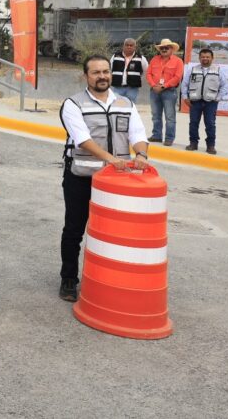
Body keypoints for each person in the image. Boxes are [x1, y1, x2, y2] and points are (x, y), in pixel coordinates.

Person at [58, 55, 149, 302]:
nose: (102, 76)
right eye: (96, 72)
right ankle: (69, 279)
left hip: (116, 182)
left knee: (116, 233)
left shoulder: (126, 104)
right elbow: (82, 139)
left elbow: (138, 133)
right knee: (74, 229)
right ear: (85, 76)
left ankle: (111, 279)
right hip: (82, 177)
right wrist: (110, 159)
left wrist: (141, 154)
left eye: (105, 72)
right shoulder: (73, 104)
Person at [182, 48, 223, 154]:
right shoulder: (192, 70)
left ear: (212, 58)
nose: (205, 58)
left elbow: (225, 86)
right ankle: (193, 143)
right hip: (195, 102)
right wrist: (185, 97)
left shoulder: (218, 70)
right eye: (203, 57)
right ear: (199, 58)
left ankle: (210, 146)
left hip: (211, 102)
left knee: (210, 124)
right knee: (193, 123)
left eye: (207, 57)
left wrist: (218, 98)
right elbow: (185, 84)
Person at [146, 38, 184, 146]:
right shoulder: (154, 59)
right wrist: (154, 85)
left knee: (170, 117)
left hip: (169, 92)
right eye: (162, 48)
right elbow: (148, 74)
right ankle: (157, 136)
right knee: (155, 115)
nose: (164, 49)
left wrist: (163, 86)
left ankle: (169, 138)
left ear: (172, 49)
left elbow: (177, 77)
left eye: (166, 47)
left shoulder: (178, 61)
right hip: (154, 91)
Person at [110, 38, 148, 104]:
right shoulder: (115, 56)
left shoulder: (141, 58)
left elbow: (147, 71)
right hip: (118, 87)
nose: (129, 47)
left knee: (131, 106)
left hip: (132, 89)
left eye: (131, 45)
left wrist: (140, 80)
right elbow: (109, 69)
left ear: (135, 47)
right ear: (123, 46)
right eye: (127, 45)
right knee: (116, 106)